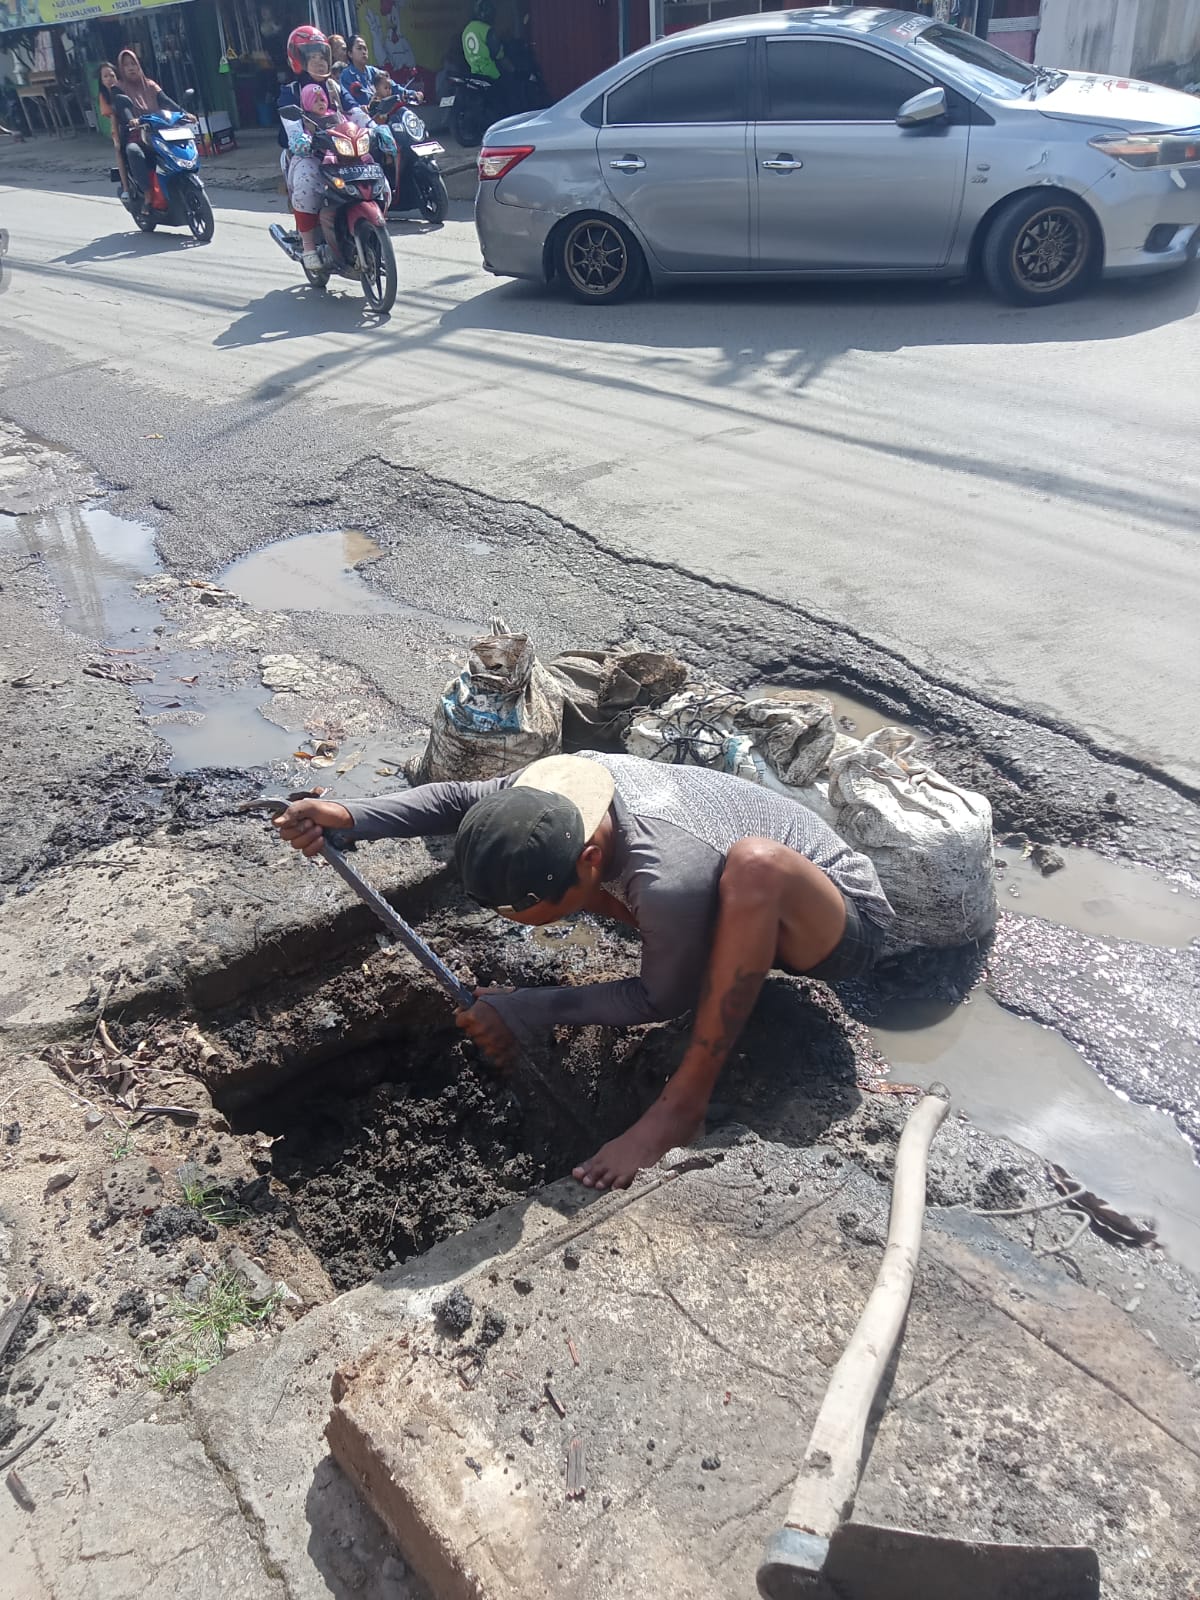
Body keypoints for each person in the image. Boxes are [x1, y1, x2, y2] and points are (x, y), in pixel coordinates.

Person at [273, 751, 895, 1192]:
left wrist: (526, 1008)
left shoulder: (666, 877)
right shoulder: (549, 792)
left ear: (591, 857)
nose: (531, 928)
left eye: (545, 913)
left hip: (832, 920)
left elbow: (663, 997)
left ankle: (681, 1109)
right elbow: (459, 799)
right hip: (706, 897)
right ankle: (708, 936)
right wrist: (351, 816)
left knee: (755, 866)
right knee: (693, 890)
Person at [278, 26, 393, 271]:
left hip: (344, 150)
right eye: (313, 58)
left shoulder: (334, 86)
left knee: (378, 178)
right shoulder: (291, 92)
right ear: (299, 60)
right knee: (307, 184)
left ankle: (368, 231)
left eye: (323, 57)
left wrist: (376, 128)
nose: (320, 63)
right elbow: (291, 124)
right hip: (311, 153)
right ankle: (309, 247)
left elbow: (354, 112)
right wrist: (300, 139)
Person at [461, 0, 513, 115]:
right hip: (491, 74)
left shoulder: (466, 30)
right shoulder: (486, 29)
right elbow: (498, 54)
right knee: (508, 96)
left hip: (474, 73)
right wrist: (512, 69)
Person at [96, 61, 129, 199]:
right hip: (120, 127)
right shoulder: (104, 96)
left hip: (137, 123)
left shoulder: (125, 89)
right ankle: (126, 188)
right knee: (120, 152)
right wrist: (116, 138)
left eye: (112, 75)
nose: (109, 79)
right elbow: (113, 117)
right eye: (105, 76)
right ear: (101, 80)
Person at [339, 35, 375, 108]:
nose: (363, 52)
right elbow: (347, 99)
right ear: (350, 54)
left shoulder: (373, 71)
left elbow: (390, 84)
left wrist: (403, 93)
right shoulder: (346, 75)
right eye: (359, 48)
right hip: (362, 115)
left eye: (365, 48)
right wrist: (359, 108)